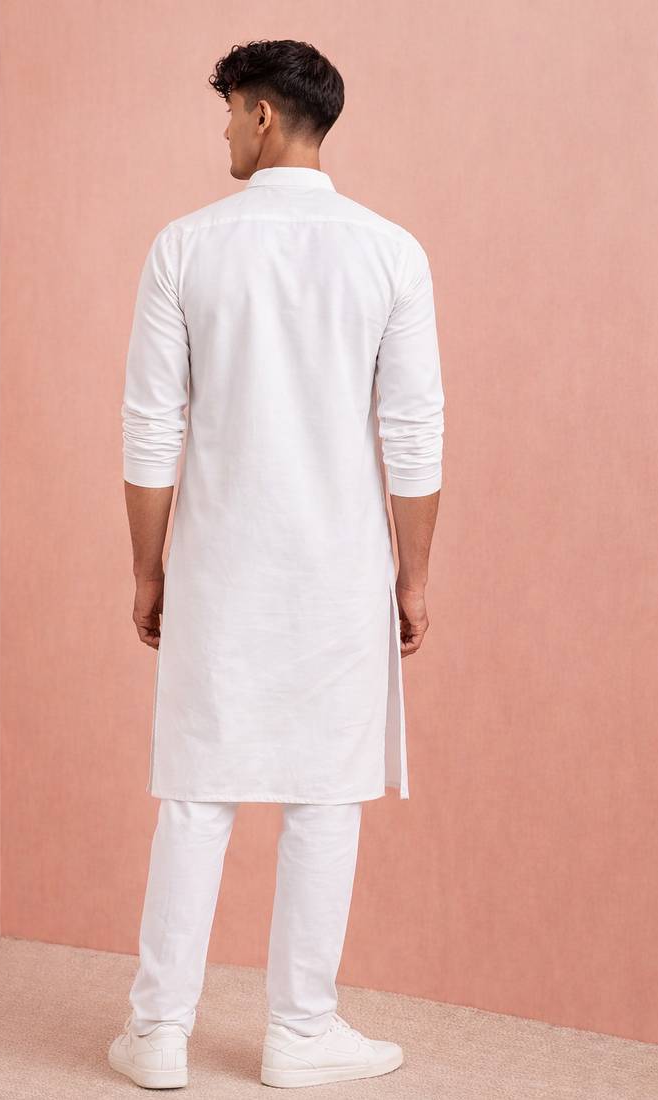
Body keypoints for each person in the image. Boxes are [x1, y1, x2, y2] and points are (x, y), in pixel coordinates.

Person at [108, 38, 444, 1090]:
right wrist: (412, 578)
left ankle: (158, 1031)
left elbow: (151, 427)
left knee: (197, 794)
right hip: (339, 570)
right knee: (324, 797)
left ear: (260, 113)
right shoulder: (391, 251)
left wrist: (149, 569)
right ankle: (300, 1031)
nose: (222, 132)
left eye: (227, 112)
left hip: (219, 565)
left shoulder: (185, 246)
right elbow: (414, 435)